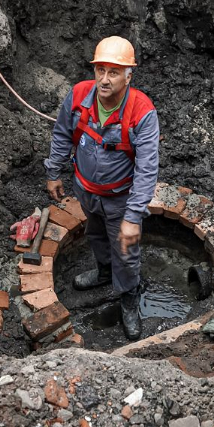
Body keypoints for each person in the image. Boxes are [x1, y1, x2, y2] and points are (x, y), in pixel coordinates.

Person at [45, 36, 159, 340]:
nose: (104, 79)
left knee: (126, 250)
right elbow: (61, 134)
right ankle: (105, 273)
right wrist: (54, 172)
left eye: (113, 72)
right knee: (95, 234)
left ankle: (128, 295)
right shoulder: (79, 96)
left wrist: (133, 216)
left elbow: (147, 168)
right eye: (100, 70)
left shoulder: (141, 112)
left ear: (128, 75)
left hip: (120, 198)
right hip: (86, 189)